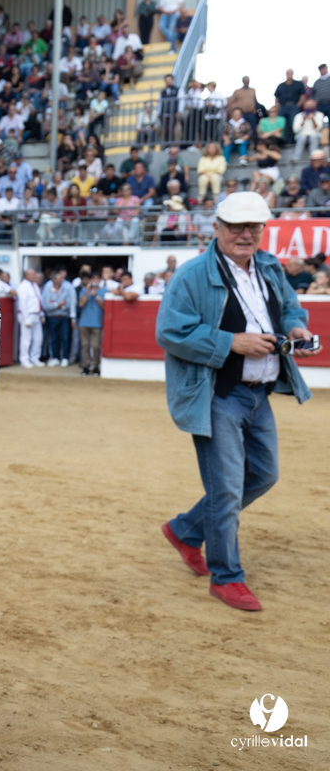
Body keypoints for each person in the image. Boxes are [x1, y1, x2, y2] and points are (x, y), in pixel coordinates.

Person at [156, 191, 321, 611]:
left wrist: (297, 328)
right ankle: (226, 576)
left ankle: (186, 529)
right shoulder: (192, 275)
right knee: (227, 489)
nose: (245, 235)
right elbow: (170, 333)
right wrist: (231, 342)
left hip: (259, 393)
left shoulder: (267, 266)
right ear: (217, 228)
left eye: (253, 227)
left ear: (263, 230)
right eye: (236, 227)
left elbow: (288, 306)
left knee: (264, 475)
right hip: (217, 394)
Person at [41, 267, 75, 366]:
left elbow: (68, 303)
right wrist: (59, 304)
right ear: (54, 280)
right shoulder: (48, 287)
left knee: (65, 338)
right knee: (53, 338)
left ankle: (65, 358)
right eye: (60, 278)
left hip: (64, 317)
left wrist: (54, 304)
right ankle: (55, 357)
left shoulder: (67, 287)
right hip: (52, 317)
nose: (62, 280)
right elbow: (46, 305)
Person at [76, 273, 105, 376]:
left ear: (100, 279)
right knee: (85, 346)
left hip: (97, 322)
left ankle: (96, 367)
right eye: (93, 278)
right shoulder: (84, 291)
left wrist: (96, 296)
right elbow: (81, 304)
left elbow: (104, 306)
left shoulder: (104, 291)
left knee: (96, 346)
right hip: (84, 322)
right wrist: (87, 290)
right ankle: (86, 367)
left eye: (97, 278)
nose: (95, 280)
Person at [17, 269, 45, 367]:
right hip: (27, 315)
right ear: (27, 275)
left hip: (36, 314)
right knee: (26, 339)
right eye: (33, 275)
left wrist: (41, 314)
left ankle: (35, 357)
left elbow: (39, 300)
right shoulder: (22, 286)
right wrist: (26, 318)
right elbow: (22, 303)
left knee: (38, 338)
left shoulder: (35, 285)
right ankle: (24, 359)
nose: (35, 277)